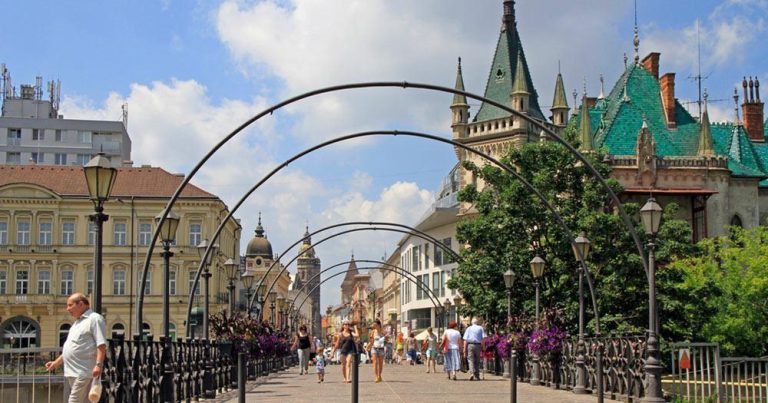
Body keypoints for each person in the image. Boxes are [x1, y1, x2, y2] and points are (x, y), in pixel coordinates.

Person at [45, 293, 107, 403]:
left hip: (84, 370)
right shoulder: (77, 323)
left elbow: (101, 344)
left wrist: (98, 365)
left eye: (70, 305)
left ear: (81, 304)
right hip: (72, 371)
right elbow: (71, 347)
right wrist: (56, 363)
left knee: (73, 400)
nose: (67, 309)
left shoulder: (95, 319)